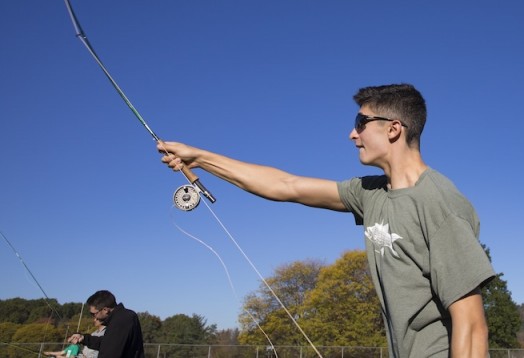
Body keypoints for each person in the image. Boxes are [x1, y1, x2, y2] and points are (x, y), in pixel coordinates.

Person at [158, 83, 495, 358]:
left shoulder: (439, 202)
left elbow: (471, 324)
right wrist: (200, 158)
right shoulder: (371, 193)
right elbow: (286, 186)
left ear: (394, 129)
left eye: (361, 123)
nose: (352, 134)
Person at [69, 290, 144, 358]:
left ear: (105, 310)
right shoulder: (122, 317)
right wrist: (84, 338)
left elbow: (110, 352)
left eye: (94, 313)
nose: (94, 317)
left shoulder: (121, 320)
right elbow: (108, 343)